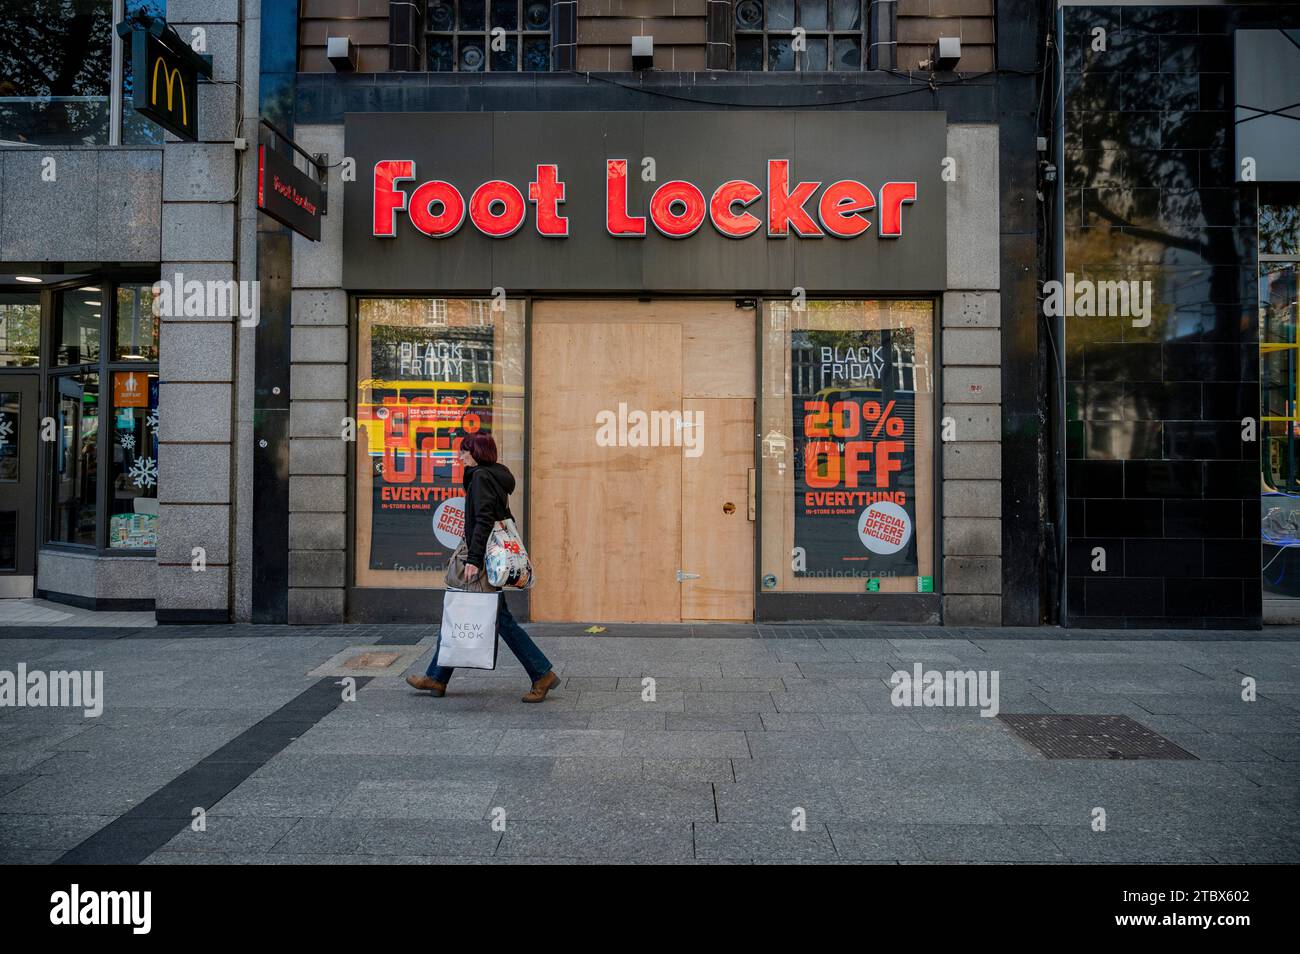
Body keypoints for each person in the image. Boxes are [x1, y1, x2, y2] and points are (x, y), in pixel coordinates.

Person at [406, 434, 559, 703]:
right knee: (476, 612)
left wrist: (474, 560)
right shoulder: (495, 475)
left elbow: (484, 520)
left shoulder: (480, 477)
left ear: (476, 452)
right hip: (487, 557)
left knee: (488, 617)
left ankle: (541, 673)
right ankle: (437, 677)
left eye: (464, 452)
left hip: (482, 559)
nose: (459, 457)